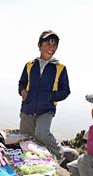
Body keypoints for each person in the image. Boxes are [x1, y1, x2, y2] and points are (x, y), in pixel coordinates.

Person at [18, 30, 78, 161]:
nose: (51, 48)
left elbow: (65, 90)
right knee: (25, 138)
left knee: (41, 133)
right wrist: (23, 91)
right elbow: (22, 83)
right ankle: (34, 160)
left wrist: (50, 97)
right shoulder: (30, 65)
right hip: (27, 108)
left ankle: (60, 154)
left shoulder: (60, 68)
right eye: (48, 44)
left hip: (46, 109)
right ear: (39, 45)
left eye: (54, 45)